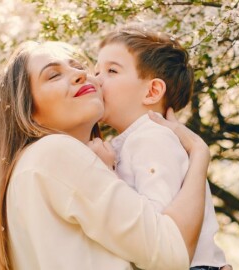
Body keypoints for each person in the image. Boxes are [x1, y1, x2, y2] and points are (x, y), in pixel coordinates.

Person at [0, 41, 211, 270]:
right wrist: (199, 154)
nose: (80, 75)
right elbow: (171, 253)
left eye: (80, 67)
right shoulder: (56, 152)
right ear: (28, 110)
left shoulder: (33, 167)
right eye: (53, 75)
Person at [93, 26, 231, 270]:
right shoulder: (133, 140)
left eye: (111, 71)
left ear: (152, 91)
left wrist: (108, 171)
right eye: (96, 71)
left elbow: (156, 227)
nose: (95, 79)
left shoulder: (151, 138)